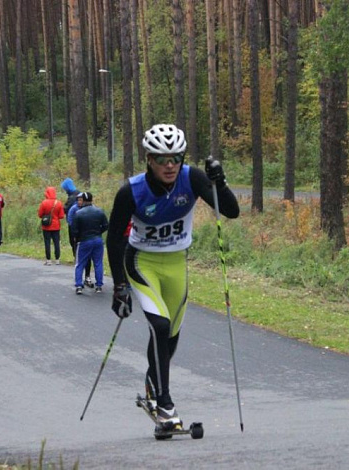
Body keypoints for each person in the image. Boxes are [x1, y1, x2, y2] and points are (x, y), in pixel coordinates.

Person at [107, 124, 239, 428]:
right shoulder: (131, 191)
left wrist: (220, 183)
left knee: (171, 336)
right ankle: (165, 404)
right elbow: (114, 238)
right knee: (160, 325)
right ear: (149, 159)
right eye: (162, 159)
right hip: (142, 262)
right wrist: (119, 286)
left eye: (176, 158)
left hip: (177, 263)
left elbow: (230, 211)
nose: (170, 165)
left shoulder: (191, 178)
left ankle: (152, 385)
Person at [72, 192, 109, 295]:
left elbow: (74, 230)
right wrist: (98, 232)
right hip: (97, 240)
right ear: (92, 199)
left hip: (84, 241)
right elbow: (106, 225)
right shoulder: (99, 211)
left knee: (80, 264)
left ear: (82, 200)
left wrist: (78, 237)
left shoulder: (78, 213)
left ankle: (79, 285)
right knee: (98, 263)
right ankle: (99, 286)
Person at [68, 193, 95, 288]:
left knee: (88, 258)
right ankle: (79, 280)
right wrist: (75, 234)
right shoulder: (74, 209)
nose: (80, 202)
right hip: (78, 236)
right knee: (79, 258)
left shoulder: (91, 209)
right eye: (78, 200)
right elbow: (70, 222)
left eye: (81, 200)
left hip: (88, 236)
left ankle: (87, 276)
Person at [38, 186, 65, 265]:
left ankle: (48, 260)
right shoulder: (59, 203)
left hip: (46, 226)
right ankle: (57, 260)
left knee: (47, 242)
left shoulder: (44, 202)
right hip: (56, 226)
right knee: (56, 242)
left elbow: (40, 214)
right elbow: (61, 216)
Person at [61, 177, 81, 256]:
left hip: (73, 222)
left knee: (73, 240)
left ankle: (76, 256)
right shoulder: (79, 193)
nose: (65, 191)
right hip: (80, 220)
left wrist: (61, 207)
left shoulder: (72, 197)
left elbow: (66, 208)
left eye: (65, 189)